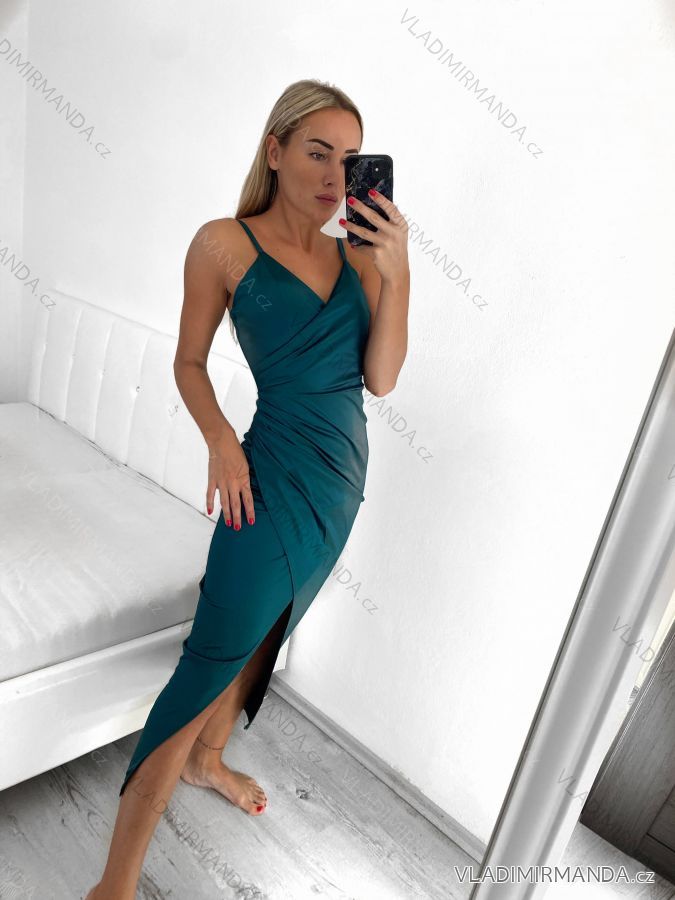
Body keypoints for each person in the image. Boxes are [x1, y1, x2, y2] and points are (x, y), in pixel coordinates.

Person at [86, 77, 409, 900]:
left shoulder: (359, 256)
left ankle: (208, 761)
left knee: (269, 633)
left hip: (339, 485)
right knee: (204, 669)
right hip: (265, 481)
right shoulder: (223, 244)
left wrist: (398, 272)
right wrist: (222, 442)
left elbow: (379, 379)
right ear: (274, 150)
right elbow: (188, 361)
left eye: (349, 159)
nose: (335, 175)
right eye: (316, 152)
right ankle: (114, 884)